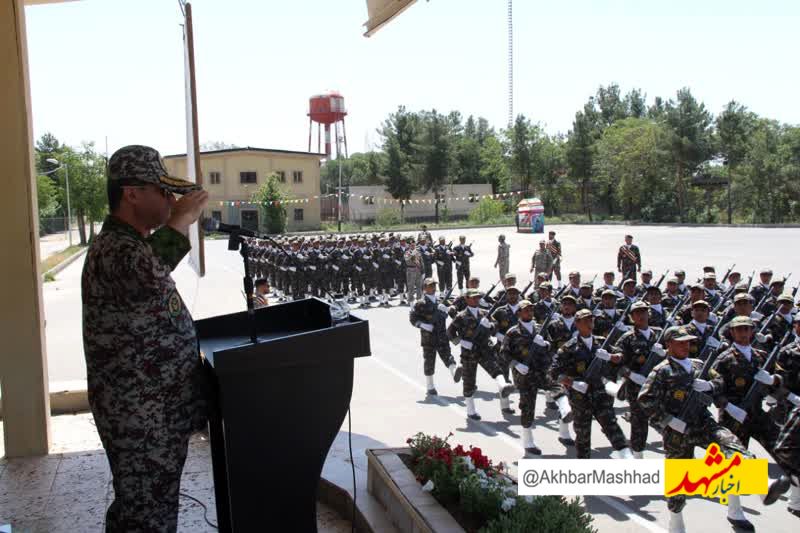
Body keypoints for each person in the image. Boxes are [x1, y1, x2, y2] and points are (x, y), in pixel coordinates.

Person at [82, 145, 209, 532]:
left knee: (148, 509)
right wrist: (181, 221)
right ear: (132, 193)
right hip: (138, 416)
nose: (171, 200)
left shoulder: (134, 244)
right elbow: (147, 274)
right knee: (144, 517)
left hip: (155, 411)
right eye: (162, 191)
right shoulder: (114, 248)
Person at [637, 326, 754, 533]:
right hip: (677, 432)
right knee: (679, 481)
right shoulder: (662, 371)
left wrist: (709, 386)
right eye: (680, 342)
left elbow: (719, 380)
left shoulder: (699, 364)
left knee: (735, 451)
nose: (685, 345)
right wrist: (669, 421)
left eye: (687, 342)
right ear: (669, 345)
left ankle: (735, 509)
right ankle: (676, 519)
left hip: (703, 422)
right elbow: (645, 400)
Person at [550, 309, 634, 459]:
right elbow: (554, 372)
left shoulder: (602, 342)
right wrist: (573, 383)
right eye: (585, 320)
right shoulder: (569, 348)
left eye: (591, 320)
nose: (590, 323)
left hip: (602, 396)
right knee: (583, 438)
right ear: (577, 324)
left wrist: (610, 356)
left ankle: (629, 460)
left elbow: (621, 357)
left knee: (614, 431)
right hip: (580, 399)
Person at [448, 289, 514, 421]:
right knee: (469, 380)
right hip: (469, 352)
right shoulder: (461, 316)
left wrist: (489, 325)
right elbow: (450, 332)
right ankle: (471, 410)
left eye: (478, 298)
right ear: (466, 299)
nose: (476, 300)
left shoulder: (485, 313)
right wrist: (461, 342)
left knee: (496, 369)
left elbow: (495, 327)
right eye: (473, 298)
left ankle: (503, 386)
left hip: (484, 349)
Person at [611, 301, 663, 458]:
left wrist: (664, 352)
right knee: (639, 422)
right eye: (637, 313)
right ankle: (638, 455)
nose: (641, 315)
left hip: (658, 385)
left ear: (649, 314)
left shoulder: (658, 335)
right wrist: (632, 375)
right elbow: (617, 363)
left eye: (643, 312)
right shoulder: (627, 338)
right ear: (632, 317)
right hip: (636, 388)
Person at [501, 299, 551, 455]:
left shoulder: (540, 328)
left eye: (531, 309)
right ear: (519, 313)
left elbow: (551, 345)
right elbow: (504, 353)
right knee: (528, 407)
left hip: (542, 371)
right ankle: (528, 442)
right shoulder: (512, 332)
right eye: (526, 310)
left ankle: (564, 421)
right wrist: (516, 364)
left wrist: (545, 344)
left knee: (559, 389)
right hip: (524, 375)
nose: (529, 312)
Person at [409, 278, 462, 395]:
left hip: (442, 335)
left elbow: (455, 315)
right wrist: (422, 325)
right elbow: (412, 319)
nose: (432, 288)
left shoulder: (441, 301)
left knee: (448, 356)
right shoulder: (420, 303)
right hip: (428, 338)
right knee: (429, 361)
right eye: (429, 286)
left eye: (434, 285)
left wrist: (449, 309)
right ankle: (430, 386)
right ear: (424, 289)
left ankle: (455, 372)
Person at [404, 239, 423, 304]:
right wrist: (412, 254)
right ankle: (411, 301)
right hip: (410, 270)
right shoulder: (407, 252)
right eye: (411, 245)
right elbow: (406, 260)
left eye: (413, 245)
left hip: (417, 270)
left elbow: (421, 261)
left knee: (419, 286)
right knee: (411, 286)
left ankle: (419, 300)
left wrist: (423, 271)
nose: (412, 246)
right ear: (409, 246)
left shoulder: (417, 252)